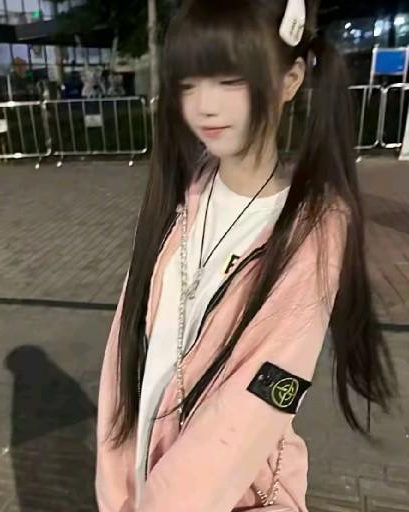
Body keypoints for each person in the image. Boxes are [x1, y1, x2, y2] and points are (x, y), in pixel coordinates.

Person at [96, 1, 397, 511]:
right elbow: (123, 358)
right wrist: (115, 486)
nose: (204, 106)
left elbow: (250, 411)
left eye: (230, 80)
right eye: (189, 83)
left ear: (290, 80)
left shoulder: (313, 231)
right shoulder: (182, 197)